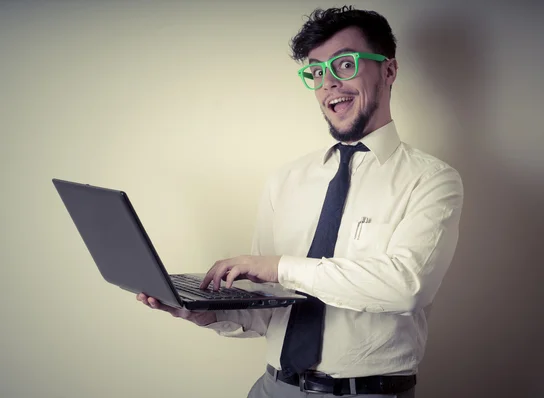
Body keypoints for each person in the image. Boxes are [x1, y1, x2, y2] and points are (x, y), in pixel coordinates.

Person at [137, 5, 463, 398]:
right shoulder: (286, 180)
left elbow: (406, 287)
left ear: (388, 71)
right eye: (317, 71)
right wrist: (206, 313)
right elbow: (269, 306)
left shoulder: (431, 179)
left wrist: (278, 267)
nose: (328, 83)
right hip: (274, 387)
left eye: (345, 65)